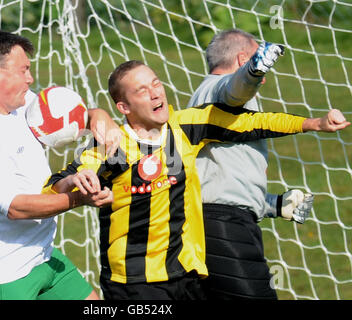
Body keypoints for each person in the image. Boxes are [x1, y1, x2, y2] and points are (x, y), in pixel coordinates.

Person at [42, 60, 349, 300]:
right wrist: (73, 183)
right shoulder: (113, 147)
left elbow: (251, 123)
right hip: (136, 281)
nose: (155, 93)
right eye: (142, 91)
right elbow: (53, 185)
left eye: (156, 83)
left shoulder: (185, 126)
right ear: (123, 108)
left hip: (187, 274)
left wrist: (314, 123)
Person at [0, 29, 119, 300]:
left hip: (42, 254)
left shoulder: (21, 103)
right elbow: (15, 207)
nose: (31, 78)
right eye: (24, 69)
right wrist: (79, 199)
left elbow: (67, 119)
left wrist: (98, 116)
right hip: (1, 274)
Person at [186, 29, 319, 299]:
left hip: (224, 225)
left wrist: (273, 204)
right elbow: (235, 90)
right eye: (256, 60)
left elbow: (220, 177)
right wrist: (253, 72)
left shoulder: (205, 97)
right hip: (222, 228)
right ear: (242, 59)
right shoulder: (218, 89)